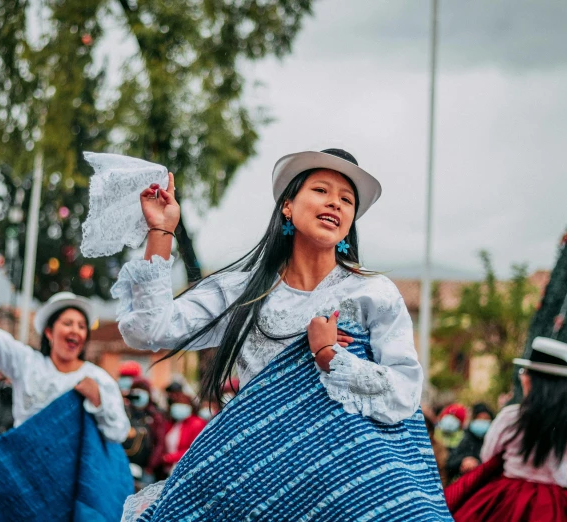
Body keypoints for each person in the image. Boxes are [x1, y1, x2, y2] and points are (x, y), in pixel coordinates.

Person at [115, 149, 450, 520]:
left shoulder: (373, 293)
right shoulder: (243, 292)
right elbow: (149, 330)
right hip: (263, 491)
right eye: (322, 190)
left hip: (350, 491)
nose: (335, 203)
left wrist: (331, 358)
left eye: (346, 199)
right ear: (287, 206)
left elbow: (404, 392)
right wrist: (162, 231)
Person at [0, 265, 129, 442]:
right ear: (49, 332)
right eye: (67, 324)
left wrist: (98, 400)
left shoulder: (98, 379)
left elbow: (119, 432)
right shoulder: (27, 364)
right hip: (25, 465)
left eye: (81, 326)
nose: (75, 330)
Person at [448, 337, 567, 521]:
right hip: (561, 503)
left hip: (510, 498)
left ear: (531, 379)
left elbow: (489, 455)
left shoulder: (511, 417)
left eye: (524, 372)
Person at [124, 378, 167, 485]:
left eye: (142, 391)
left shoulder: (155, 415)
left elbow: (160, 443)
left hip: (145, 469)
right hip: (124, 465)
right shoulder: (124, 412)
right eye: (135, 391)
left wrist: (150, 467)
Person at [446, 403, 494, 482]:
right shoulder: (465, 438)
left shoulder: (494, 441)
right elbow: (450, 462)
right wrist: (463, 461)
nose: (482, 422)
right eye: (479, 419)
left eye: (485, 419)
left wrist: (477, 464)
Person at [161, 392, 207, 475]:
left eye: (182, 404)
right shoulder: (173, 423)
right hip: (168, 469)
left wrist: (169, 457)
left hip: (185, 469)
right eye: (177, 404)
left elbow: (194, 449)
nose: (178, 407)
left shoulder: (196, 423)